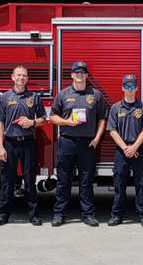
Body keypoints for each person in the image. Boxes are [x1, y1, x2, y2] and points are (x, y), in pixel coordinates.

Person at [48, 61, 107, 227]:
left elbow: (102, 118)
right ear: (72, 75)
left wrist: (96, 139)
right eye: (77, 72)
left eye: (83, 72)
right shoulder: (63, 94)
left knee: (86, 180)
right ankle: (59, 214)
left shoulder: (95, 95)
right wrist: (66, 122)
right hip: (67, 141)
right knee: (63, 180)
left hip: (87, 143)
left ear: (87, 75)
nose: (80, 75)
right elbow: (52, 117)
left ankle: (88, 214)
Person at [0, 65, 46, 226]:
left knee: (30, 180)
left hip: (28, 143)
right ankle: (3, 214)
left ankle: (34, 215)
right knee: (7, 180)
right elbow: (0, 123)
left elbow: (44, 118)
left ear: (27, 79)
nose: (21, 78)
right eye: (18, 75)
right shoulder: (4, 98)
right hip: (10, 143)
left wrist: (32, 122)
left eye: (24, 75)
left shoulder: (34, 97)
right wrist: (1, 146)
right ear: (12, 77)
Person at [106, 74, 143, 227]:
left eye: (132, 86)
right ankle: (116, 215)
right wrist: (126, 148)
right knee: (119, 184)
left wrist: (134, 147)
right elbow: (112, 130)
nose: (130, 89)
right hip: (122, 150)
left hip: (139, 149)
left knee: (141, 184)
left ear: (137, 88)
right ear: (122, 88)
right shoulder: (115, 108)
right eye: (127, 86)